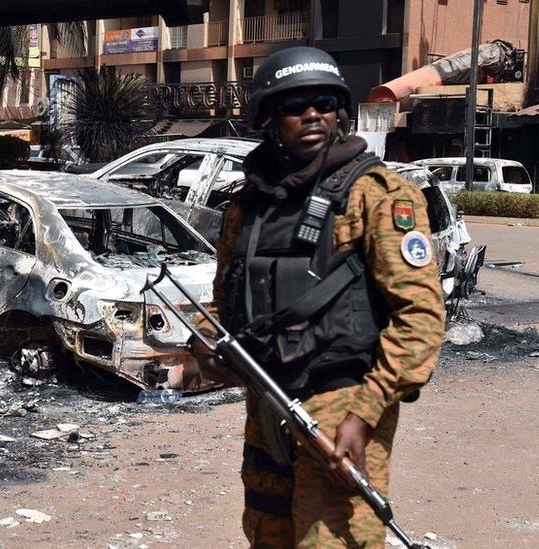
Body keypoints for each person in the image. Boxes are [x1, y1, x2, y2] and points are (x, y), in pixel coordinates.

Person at [193, 47, 445, 548]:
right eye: (295, 105)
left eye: (325, 104)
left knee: (332, 541)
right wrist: (203, 343)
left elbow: (420, 316)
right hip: (267, 402)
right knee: (268, 535)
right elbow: (224, 305)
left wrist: (364, 413)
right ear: (268, 117)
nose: (312, 115)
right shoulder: (247, 208)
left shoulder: (378, 195)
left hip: (342, 404)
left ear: (340, 113)